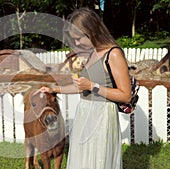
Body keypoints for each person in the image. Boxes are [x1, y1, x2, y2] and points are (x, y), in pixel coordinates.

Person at [39, 7, 131, 169]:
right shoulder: (92, 53)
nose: (77, 43)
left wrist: (93, 86)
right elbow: (83, 88)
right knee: (85, 160)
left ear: (92, 31)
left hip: (102, 116)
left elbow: (125, 96)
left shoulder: (113, 54)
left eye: (79, 38)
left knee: (97, 161)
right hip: (85, 112)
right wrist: (55, 89)